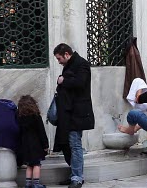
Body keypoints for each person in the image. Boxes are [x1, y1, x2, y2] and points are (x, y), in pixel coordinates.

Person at [52, 43, 95, 188]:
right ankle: (73, 175)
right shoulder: (69, 66)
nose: (58, 62)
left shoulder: (81, 64)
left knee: (75, 145)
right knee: (65, 144)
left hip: (77, 113)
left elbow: (80, 83)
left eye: (59, 58)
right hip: (67, 114)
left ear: (66, 54)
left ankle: (77, 177)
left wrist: (63, 80)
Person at [17, 95, 49, 188]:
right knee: (36, 164)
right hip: (36, 144)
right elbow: (41, 131)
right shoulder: (36, 116)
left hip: (25, 145)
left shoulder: (19, 118)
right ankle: (36, 184)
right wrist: (45, 145)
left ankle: (28, 184)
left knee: (29, 165)